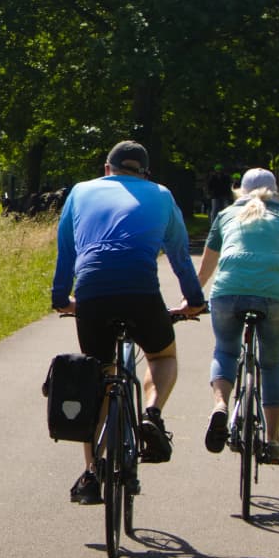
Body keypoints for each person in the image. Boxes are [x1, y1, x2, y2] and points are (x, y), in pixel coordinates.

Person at [51, 141, 207, 505]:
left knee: (98, 379)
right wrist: (194, 301)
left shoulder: (81, 191)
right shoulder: (163, 195)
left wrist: (62, 298)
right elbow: (180, 255)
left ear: (108, 169)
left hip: (92, 293)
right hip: (141, 292)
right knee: (162, 356)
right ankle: (151, 413)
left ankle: (92, 474)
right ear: (145, 174)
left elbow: (67, 249)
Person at [194, 167, 279, 465]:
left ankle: (220, 407)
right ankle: (273, 440)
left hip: (228, 294)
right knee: (272, 362)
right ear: (276, 190)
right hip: (274, 297)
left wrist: (190, 299)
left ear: (240, 190)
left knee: (225, 350)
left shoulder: (226, 215)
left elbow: (207, 266)